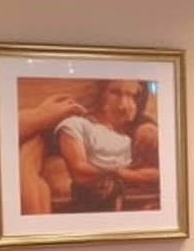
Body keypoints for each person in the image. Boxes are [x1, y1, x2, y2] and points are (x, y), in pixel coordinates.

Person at [55, 79, 160, 212]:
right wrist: (118, 173)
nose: (124, 105)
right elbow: (79, 171)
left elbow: (155, 175)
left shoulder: (135, 134)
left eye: (132, 96)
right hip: (88, 203)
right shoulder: (75, 124)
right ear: (100, 94)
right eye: (115, 93)